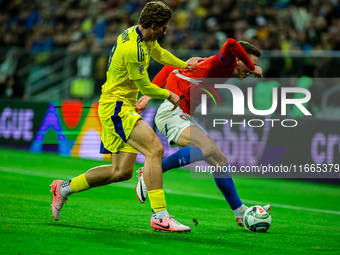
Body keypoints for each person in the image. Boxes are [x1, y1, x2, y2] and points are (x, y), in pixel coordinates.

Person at [50, 1, 202, 233]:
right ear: (153, 25)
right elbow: (146, 87)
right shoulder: (133, 49)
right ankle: (160, 216)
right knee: (155, 150)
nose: (166, 30)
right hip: (117, 107)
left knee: (120, 172)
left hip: (119, 104)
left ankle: (63, 188)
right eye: (163, 27)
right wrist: (168, 94)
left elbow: (158, 52)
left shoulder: (139, 34)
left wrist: (184, 65)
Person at [134, 38, 270, 227]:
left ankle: (240, 212)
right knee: (205, 148)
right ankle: (147, 173)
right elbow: (231, 43)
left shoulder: (209, 63)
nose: (251, 70)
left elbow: (169, 69)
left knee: (220, 160)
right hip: (173, 112)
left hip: (183, 115)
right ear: (238, 59)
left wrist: (148, 95)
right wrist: (148, 96)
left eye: (254, 66)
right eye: (250, 64)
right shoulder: (222, 63)